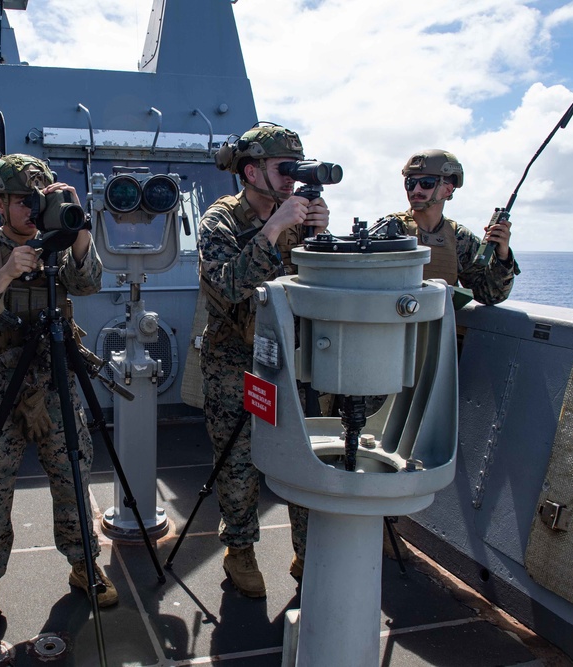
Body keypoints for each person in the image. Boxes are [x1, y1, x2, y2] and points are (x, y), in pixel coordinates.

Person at [0, 153, 114, 631]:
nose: (31, 209)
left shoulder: (55, 248)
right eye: (22, 200)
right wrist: (5, 275)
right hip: (1, 384)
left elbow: (90, 282)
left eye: (39, 198)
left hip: (54, 379)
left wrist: (76, 227)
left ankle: (83, 563)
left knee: (73, 476)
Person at [198, 123, 330, 597]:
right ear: (251, 171)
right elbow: (229, 286)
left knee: (301, 456)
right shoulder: (220, 221)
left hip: (288, 360)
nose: (292, 179)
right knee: (237, 464)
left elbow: (315, 288)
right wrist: (274, 229)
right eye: (283, 169)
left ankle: (307, 551)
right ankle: (240, 551)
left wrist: (318, 238)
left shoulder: (298, 218)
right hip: (235, 362)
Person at [376, 149, 519, 305]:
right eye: (410, 183)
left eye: (426, 183)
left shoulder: (458, 238)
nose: (416, 190)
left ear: (448, 190)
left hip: (439, 327)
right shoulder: (390, 231)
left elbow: (490, 294)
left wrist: (502, 254)